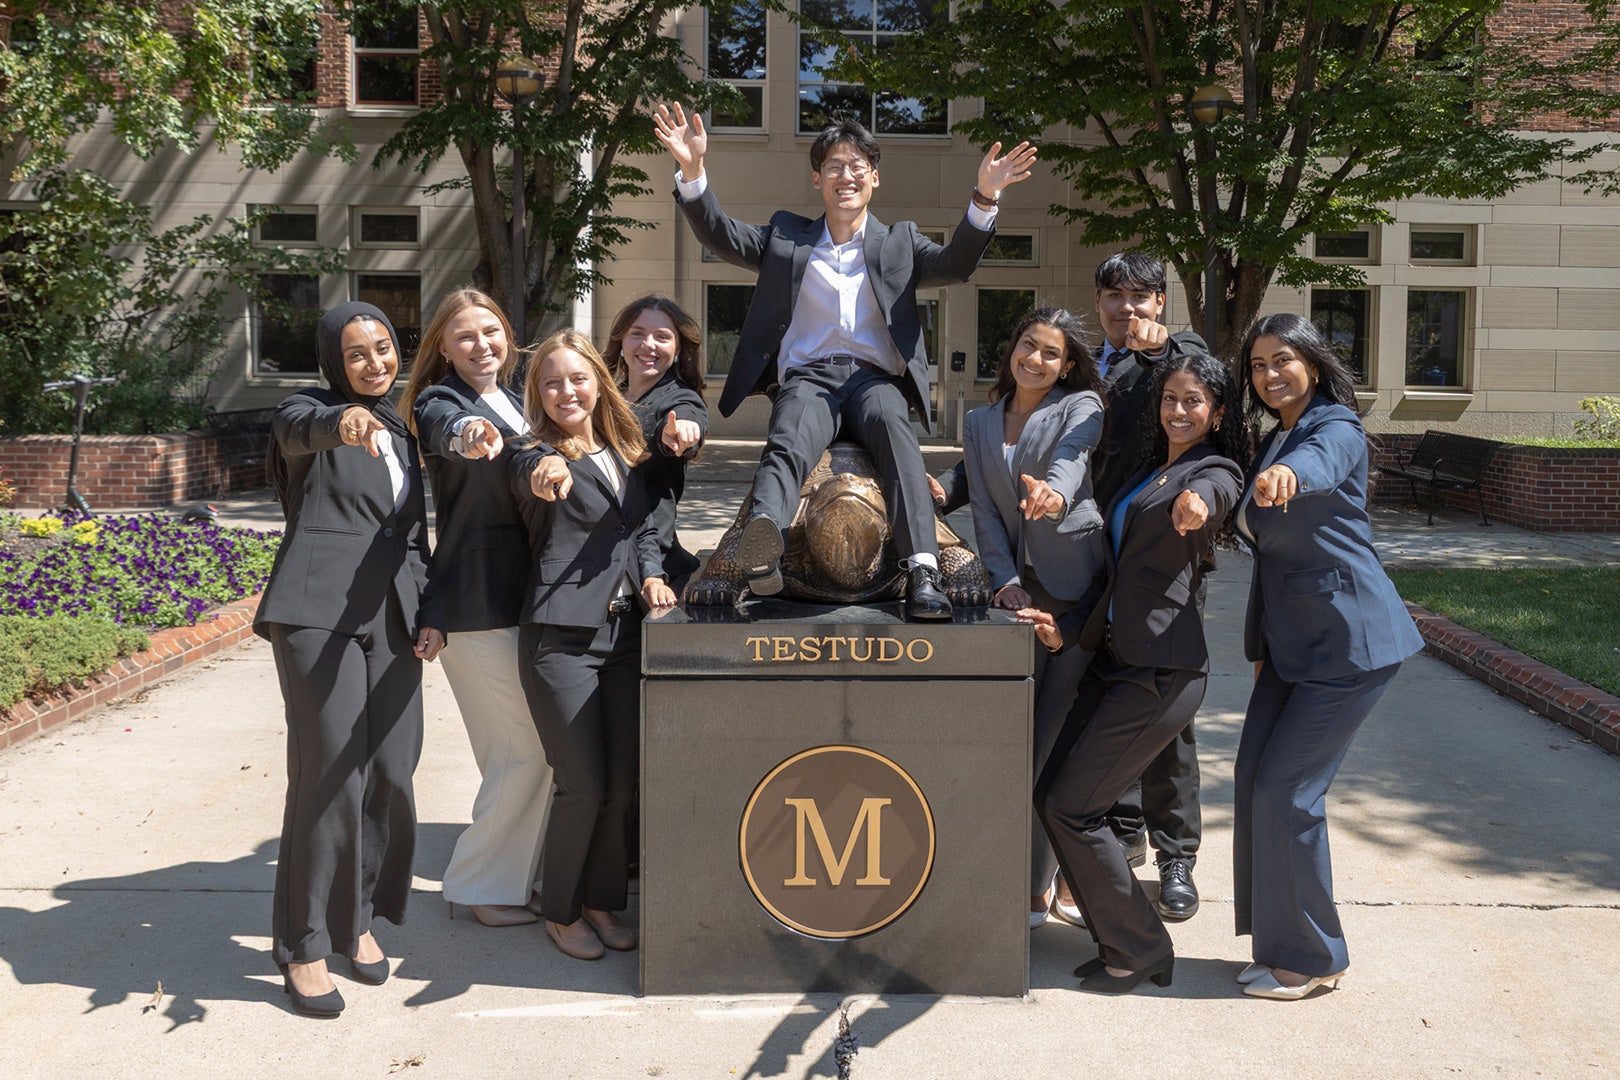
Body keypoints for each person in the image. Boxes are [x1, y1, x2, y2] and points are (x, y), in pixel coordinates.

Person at [653, 102, 1036, 620]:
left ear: (874, 178)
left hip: (874, 379)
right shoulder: (787, 237)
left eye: (857, 167)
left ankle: (923, 569)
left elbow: (955, 263)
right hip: (810, 378)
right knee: (788, 438)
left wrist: (985, 197)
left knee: (896, 437)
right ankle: (760, 546)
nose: (845, 175)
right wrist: (694, 172)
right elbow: (720, 233)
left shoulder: (898, 240)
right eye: (834, 166)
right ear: (817, 178)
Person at [934, 252, 1211, 921]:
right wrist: (951, 485)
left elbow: (1201, 419)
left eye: (1140, 297)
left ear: (1160, 304)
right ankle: (1118, 836)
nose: (1125, 310)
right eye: (1112, 297)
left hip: (1153, 553)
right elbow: (1015, 450)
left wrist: (1167, 350)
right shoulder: (1085, 366)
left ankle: (1177, 856)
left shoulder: (1181, 357)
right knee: (1097, 710)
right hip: (1085, 556)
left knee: (1159, 712)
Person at [1021, 350, 1246, 994]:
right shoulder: (1150, 473)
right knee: (1054, 797)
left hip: (1162, 669)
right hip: (1115, 659)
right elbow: (1117, 572)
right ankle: (1119, 937)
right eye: (1171, 398)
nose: (1179, 410)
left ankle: (1141, 946)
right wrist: (1066, 626)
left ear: (1217, 412)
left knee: (1073, 806)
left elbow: (1218, 493)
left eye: (1193, 401)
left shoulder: (1212, 469)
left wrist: (1199, 505)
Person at [255, 301, 446, 1017]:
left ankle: (354, 920)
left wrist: (433, 614)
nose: (374, 362)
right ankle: (303, 946)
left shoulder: (401, 430)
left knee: (391, 774)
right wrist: (341, 422)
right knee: (330, 776)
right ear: (335, 360)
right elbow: (298, 432)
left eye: (383, 348)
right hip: (317, 614)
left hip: (394, 619)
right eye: (357, 352)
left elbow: (414, 538)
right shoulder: (309, 409)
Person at [1231, 312, 1423, 1000]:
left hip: (1350, 642)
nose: (1269, 373)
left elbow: (1318, 465)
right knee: (1256, 777)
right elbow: (1272, 559)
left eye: (1282, 359)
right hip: (1291, 646)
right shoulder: (1274, 433)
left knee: (1289, 792)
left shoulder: (1330, 427)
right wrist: (1262, 646)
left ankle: (1316, 958)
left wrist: (1288, 475)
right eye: (1257, 365)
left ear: (1311, 361)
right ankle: (1282, 944)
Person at [508, 329, 677, 960]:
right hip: (561, 638)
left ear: (598, 383)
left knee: (621, 782)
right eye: (550, 382)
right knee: (581, 782)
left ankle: (603, 900)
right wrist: (548, 466)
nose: (565, 391)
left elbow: (641, 532)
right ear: (538, 394)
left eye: (576, 378)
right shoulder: (532, 453)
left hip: (626, 633)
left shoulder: (624, 450)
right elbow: (531, 472)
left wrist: (653, 573)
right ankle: (560, 908)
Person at [399, 287, 551, 929]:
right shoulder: (445, 402)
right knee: (528, 750)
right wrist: (469, 434)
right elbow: (445, 428)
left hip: (523, 597)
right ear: (443, 347)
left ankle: (509, 877)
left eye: (490, 331)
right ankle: (479, 884)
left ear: (508, 336)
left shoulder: (518, 402)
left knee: (509, 751)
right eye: (464, 336)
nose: (481, 344)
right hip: (475, 600)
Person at [959, 307, 1106, 928]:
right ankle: (1033, 878)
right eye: (1029, 346)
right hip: (1020, 596)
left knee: (1058, 738)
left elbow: (1073, 458)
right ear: (1012, 348)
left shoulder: (1081, 407)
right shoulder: (978, 421)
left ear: (1067, 364)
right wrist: (1006, 580)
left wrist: (1056, 493)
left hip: (1077, 586)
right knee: (1021, 738)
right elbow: (988, 516)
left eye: (1051, 353)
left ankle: (1042, 883)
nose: (1037, 360)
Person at [604, 294, 709, 594]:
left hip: (649, 563)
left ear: (677, 350)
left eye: (662, 337)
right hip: (598, 550)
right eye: (637, 334)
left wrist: (684, 433)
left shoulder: (680, 398)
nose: (648, 345)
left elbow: (685, 421)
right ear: (621, 342)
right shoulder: (606, 397)